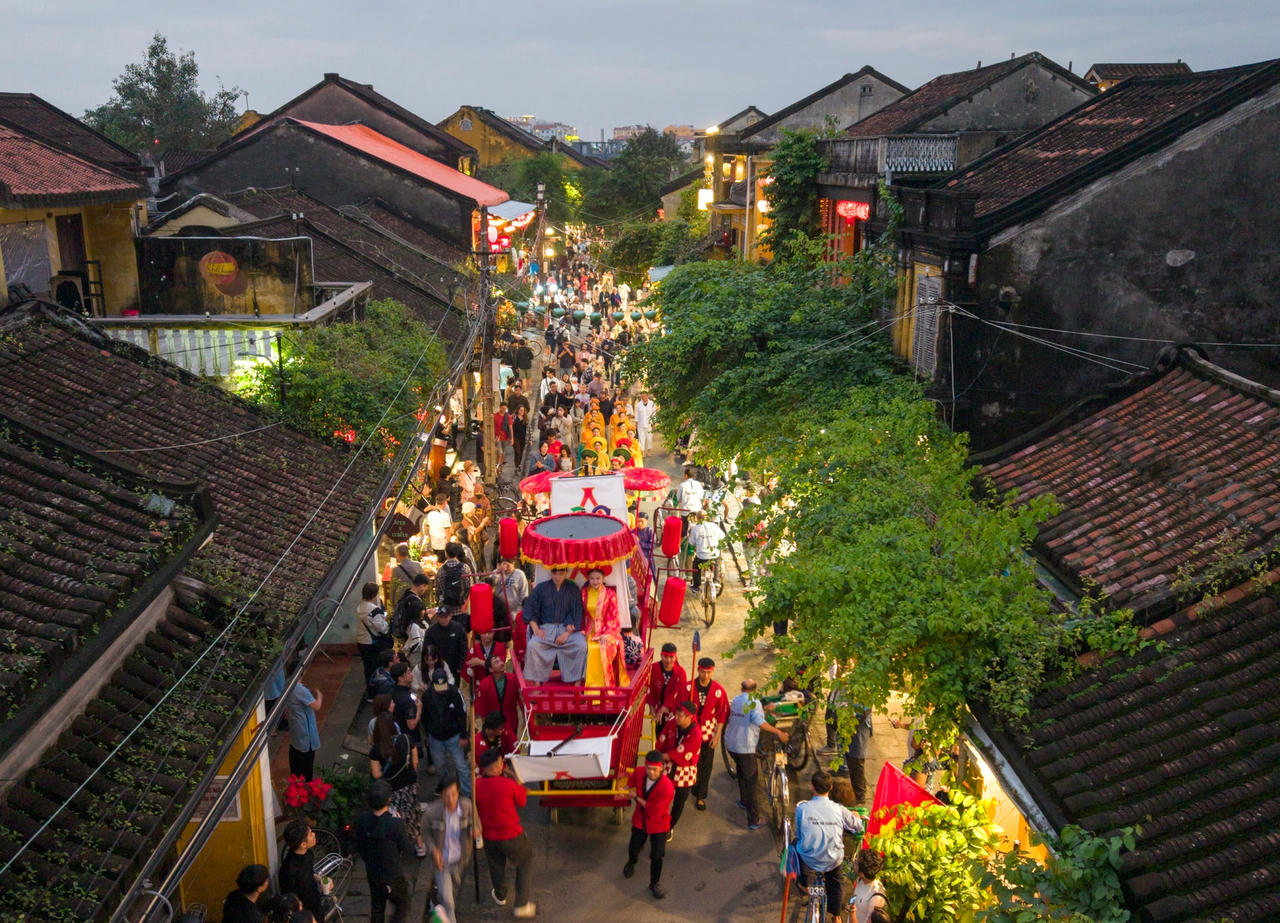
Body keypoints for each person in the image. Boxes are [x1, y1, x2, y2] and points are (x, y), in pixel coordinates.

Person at [794, 770, 866, 923]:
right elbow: (858, 827)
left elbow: (799, 834)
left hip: (809, 860)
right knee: (835, 880)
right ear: (830, 787)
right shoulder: (839, 810)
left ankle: (804, 883)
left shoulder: (802, 809)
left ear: (812, 787)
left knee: (796, 844)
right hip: (832, 861)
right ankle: (836, 915)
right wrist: (856, 817)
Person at [475, 749, 536, 917]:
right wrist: (515, 778)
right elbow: (522, 801)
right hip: (511, 835)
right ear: (495, 767)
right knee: (525, 861)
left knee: (496, 866)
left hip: (489, 836)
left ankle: (500, 895)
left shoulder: (476, 785)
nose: (503, 765)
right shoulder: (507, 784)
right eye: (501, 763)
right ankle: (521, 904)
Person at [725, 679, 788, 830]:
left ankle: (743, 800)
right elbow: (760, 722)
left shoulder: (735, 700)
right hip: (745, 747)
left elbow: (748, 714)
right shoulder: (754, 701)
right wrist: (779, 732)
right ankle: (753, 819)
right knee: (752, 781)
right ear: (755, 689)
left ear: (742, 688)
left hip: (731, 744)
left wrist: (764, 709)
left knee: (741, 772)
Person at [355, 780, 414, 923]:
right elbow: (406, 848)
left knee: (377, 908)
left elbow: (360, 846)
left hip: (374, 873)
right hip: (394, 874)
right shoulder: (396, 824)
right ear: (388, 799)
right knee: (402, 905)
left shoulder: (363, 820)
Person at [421, 774, 477, 923]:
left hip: (461, 859)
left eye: (453, 794)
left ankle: (435, 902)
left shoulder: (467, 806)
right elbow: (425, 833)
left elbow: (476, 823)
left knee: (451, 893)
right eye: (446, 795)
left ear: (458, 792)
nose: (450, 799)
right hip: (442, 862)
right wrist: (433, 849)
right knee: (449, 902)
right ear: (441, 795)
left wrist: (475, 830)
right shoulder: (432, 812)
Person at [370, 710, 425, 857]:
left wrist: (387, 774)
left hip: (391, 790)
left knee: (395, 818)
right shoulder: (406, 739)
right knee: (413, 814)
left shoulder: (376, 749)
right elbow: (415, 761)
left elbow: (376, 774)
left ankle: (398, 849)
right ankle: (420, 846)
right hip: (410, 786)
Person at [521, 567, 588, 683]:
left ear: (566, 573)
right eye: (554, 573)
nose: (557, 577)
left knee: (581, 645)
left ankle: (577, 682)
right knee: (533, 645)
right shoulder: (541, 588)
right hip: (546, 628)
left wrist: (567, 634)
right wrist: (536, 628)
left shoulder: (573, 589)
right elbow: (529, 607)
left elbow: (577, 612)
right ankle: (537, 683)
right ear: (550, 573)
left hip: (567, 629)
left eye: (561, 574)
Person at [623, 750, 673, 900]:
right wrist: (625, 788)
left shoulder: (667, 787)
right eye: (648, 768)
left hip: (659, 824)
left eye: (654, 769)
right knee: (633, 846)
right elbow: (630, 781)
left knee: (657, 856)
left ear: (661, 769)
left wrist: (635, 796)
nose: (651, 772)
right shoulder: (639, 773)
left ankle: (654, 883)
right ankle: (632, 862)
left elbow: (654, 810)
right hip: (640, 820)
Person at [655, 702, 702, 836]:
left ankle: (669, 827)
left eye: (681, 716)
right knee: (662, 796)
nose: (677, 718)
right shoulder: (671, 723)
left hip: (685, 769)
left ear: (690, 717)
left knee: (679, 800)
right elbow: (662, 739)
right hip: (668, 765)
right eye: (676, 714)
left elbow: (681, 753)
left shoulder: (696, 734)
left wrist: (660, 756)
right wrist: (658, 751)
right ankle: (659, 822)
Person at [688, 657, 730, 812]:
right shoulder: (689, 688)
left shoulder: (719, 691)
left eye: (708, 672)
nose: (705, 675)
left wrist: (717, 735)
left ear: (712, 672)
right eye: (702, 672)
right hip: (691, 733)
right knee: (690, 763)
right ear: (698, 670)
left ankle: (700, 795)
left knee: (706, 765)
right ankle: (687, 788)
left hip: (708, 733)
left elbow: (722, 714)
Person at [422, 668, 471, 797]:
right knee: (439, 767)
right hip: (435, 737)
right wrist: (427, 735)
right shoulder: (427, 696)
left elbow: (462, 715)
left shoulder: (454, 692)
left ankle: (467, 793)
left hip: (454, 736)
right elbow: (424, 717)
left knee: (461, 766)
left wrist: (463, 735)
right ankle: (446, 788)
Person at [581, 567, 625, 684]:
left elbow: (614, 617)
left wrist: (607, 634)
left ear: (603, 578)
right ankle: (589, 686)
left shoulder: (610, 594)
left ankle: (604, 686)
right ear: (588, 579)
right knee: (588, 647)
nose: (595, 581)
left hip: (607, 631)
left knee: (601, 648)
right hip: (589, 630)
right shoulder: (584, 593)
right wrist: (581, 630)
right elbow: (580, 614)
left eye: (598, 578)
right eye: (592, 578)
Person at [278, 821, 324, 922]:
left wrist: (321, 880)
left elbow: (310, 873)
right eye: (311, 834)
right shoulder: (289, 870)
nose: (314, 834)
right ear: (303, 844)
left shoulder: (308, 854)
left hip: (315, 904)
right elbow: (291, 899)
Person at [475, 653, 520, 736]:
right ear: (491, 669)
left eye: (501, 661)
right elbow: (482, 709)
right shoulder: (484, 685)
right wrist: (486, 729)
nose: (502, 663)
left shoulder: (513, 679)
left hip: (511, 722)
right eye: (496, 662)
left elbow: (521, 701)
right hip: (493, 726)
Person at [286, 681, 322, 780]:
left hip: (295, 730)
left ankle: (296, 787)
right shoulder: (301, 690)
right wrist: (319, 695)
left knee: (295, 766)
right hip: (305, 733)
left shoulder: (287, 685)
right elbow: (317, 706)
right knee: (306, 767)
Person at [646, 643, 686, 730]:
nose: (668, 660)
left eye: (671, 657)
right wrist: (651, 707)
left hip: (674, 712)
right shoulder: (653, 668)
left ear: (675, 657)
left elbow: (676, 693)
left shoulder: (681, 673)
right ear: (661, 655)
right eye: (665, 656)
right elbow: (649, 689)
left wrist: (664, 708)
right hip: (658, 711)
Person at [426, 605, 469, 681]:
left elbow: (463, 649)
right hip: (437, 667)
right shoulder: (431, 631)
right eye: (440, 617)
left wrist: (461, 666)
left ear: (450, 616)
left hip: (455, 667)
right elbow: (427, 649)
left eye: (445, 617)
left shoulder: (458, 629)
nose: (443, 619)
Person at [389, 662, 423, 757]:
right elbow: (411, 725)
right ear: (401, 678)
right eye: (408, 672)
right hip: (409, 741)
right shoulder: (407, 699)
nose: (411, 674)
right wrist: (419, 709)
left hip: (397, 736)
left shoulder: (393, 692)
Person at [850, 848, 888, 923]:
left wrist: (852, 913)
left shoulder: (876, 898)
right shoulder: (861, 880)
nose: (854, 862)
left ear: (862, 874)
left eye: (856, 863)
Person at [435, 542, 472, 619]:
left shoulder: (441, 570)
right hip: (462, 609)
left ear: (446, 554)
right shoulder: (465, 568)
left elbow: (438, 591)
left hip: (447, 612)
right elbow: (470, 587)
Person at [687, 511, 723, 591]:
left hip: (701, 556)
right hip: (713, 554)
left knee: (696, 566)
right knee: (716, 561)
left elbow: (691, 543)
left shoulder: (696, 528)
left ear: (697, 518)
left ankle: (696, 585)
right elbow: (722, 536)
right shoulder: (714, 526)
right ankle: (716, 579)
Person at [389, 543, 425, 608]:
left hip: (401, 599)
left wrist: (392, 602)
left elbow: (393, 587)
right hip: (415, 597)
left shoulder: (396, 569)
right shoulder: (417, 565)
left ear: (398, 554)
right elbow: (423, 580)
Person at [425, 495, 453, 563]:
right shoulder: (445, 515)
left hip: (433, 543)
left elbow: (427, 527)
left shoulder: (430, 514)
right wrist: (450, 543)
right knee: (441, 564)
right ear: (444, 503)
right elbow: (447, 531)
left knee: (435, 563)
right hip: (443, 545)